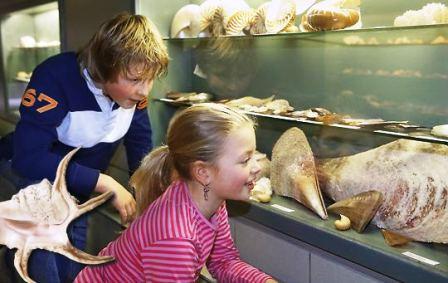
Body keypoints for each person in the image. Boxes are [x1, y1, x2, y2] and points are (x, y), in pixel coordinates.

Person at [1, 12, 168, 282]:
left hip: (77, 186)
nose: (144, 91)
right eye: (135, 80)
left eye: (150, 80)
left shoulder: (134, 95)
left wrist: (144, 196)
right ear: (105, 66)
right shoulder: (54, 77)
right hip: (35, 178)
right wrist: (104, 182)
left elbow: (140, 142)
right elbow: (28, 157)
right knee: (43, 268)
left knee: (71, 268)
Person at [75, 103, 277, 282]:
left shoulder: (209, 198)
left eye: (255, 155)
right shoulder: (176, 240)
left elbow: (224, 262)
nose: (257, 167)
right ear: (203, 172)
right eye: (245, 160)